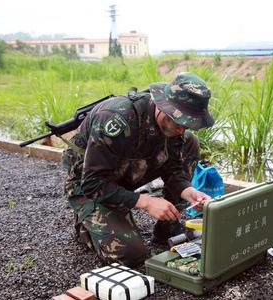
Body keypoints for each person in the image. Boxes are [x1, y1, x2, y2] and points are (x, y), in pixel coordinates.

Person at [62, 72, 214, 267]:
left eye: (188, 124)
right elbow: (92, 183)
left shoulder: (175, 128)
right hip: (87, 183)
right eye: (180, 122)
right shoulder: (117, 119)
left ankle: (168, 225)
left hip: (126, 170)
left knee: (191, 142)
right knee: (130, 255)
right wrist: (146, 202)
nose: (182, 129)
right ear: (162, 107)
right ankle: (86, 223)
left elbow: (173, 171)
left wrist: (189, 192)